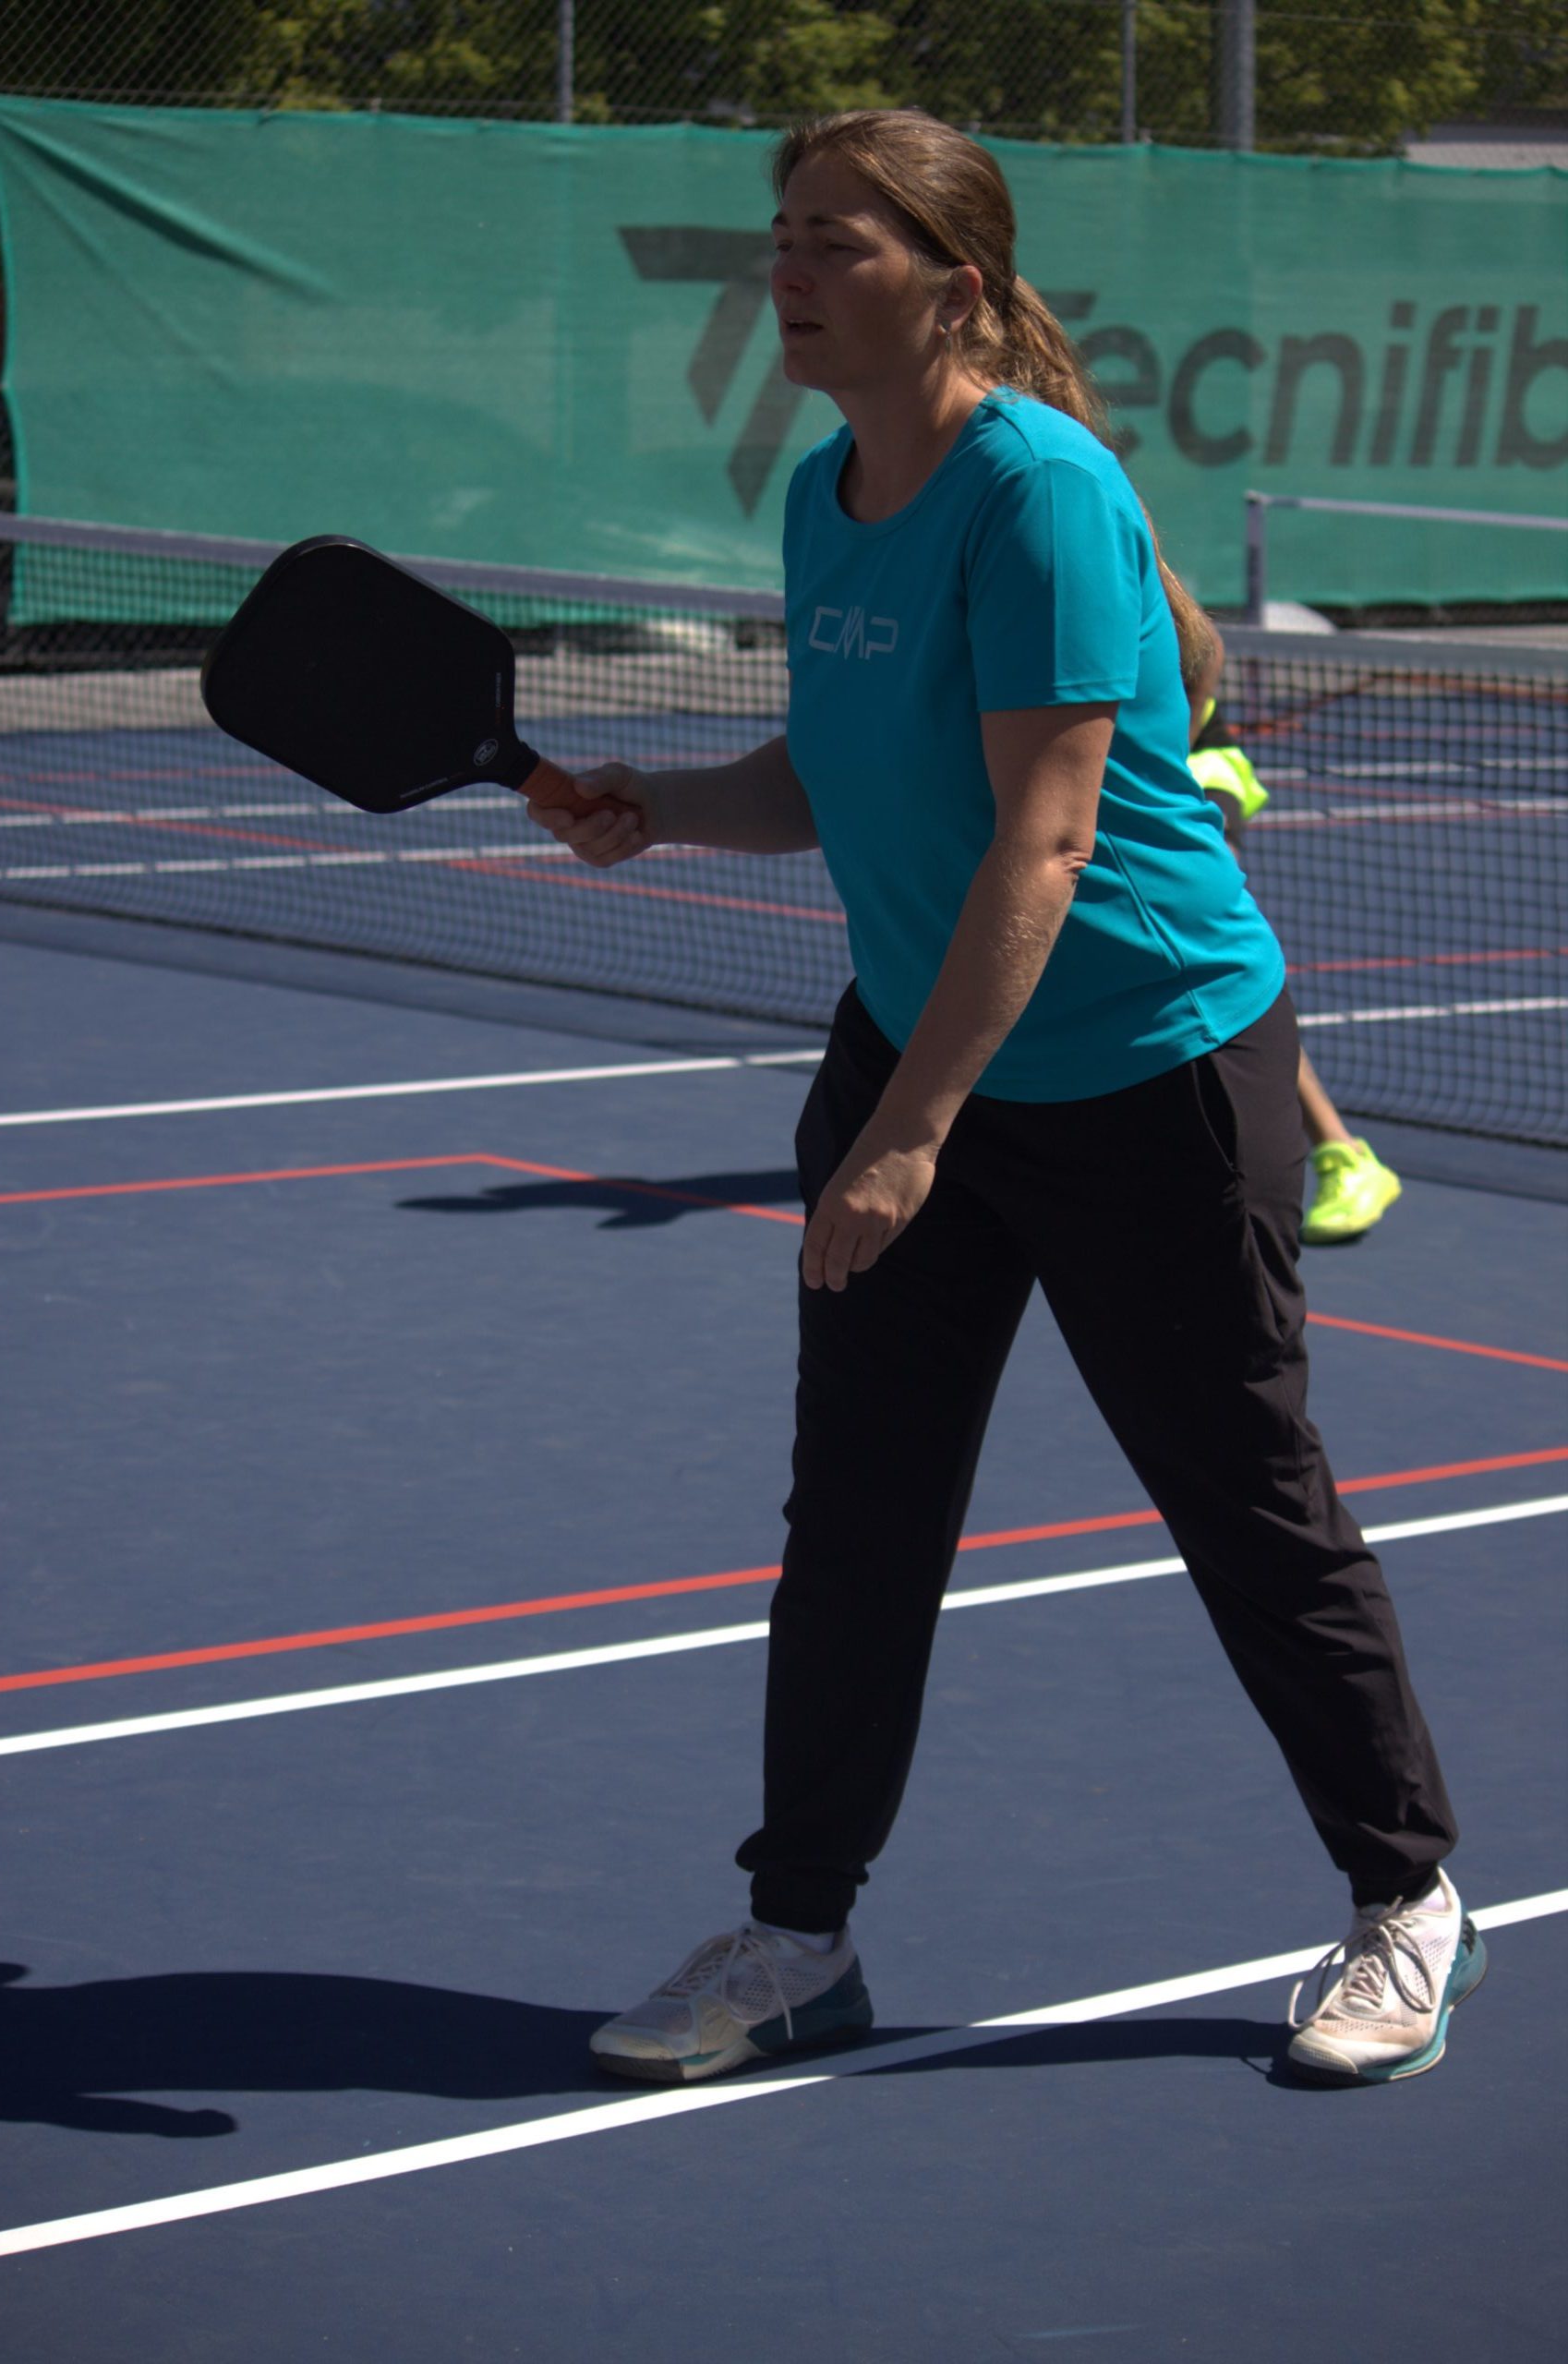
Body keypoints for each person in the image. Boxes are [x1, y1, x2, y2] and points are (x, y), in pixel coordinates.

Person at [526, 109, 1483, 2088]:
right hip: (922, 1050)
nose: (788, 271)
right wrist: (659, 804)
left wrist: (906, 1133)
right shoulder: (825, 494)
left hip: (1143, 1068)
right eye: (783, 235)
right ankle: (799, 1933)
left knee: (1245, 1501)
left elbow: (1040, 845)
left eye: (838, 241)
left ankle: (1405, 1896)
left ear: (951, 284)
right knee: (857, 1521)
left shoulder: (1038, 491)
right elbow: (828, 771)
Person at [1183, 624, 1405, 1247]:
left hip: (1197, 777)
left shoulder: (1204, 757)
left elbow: (1203, 657)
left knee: (1209, 966)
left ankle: (1342, 1154)